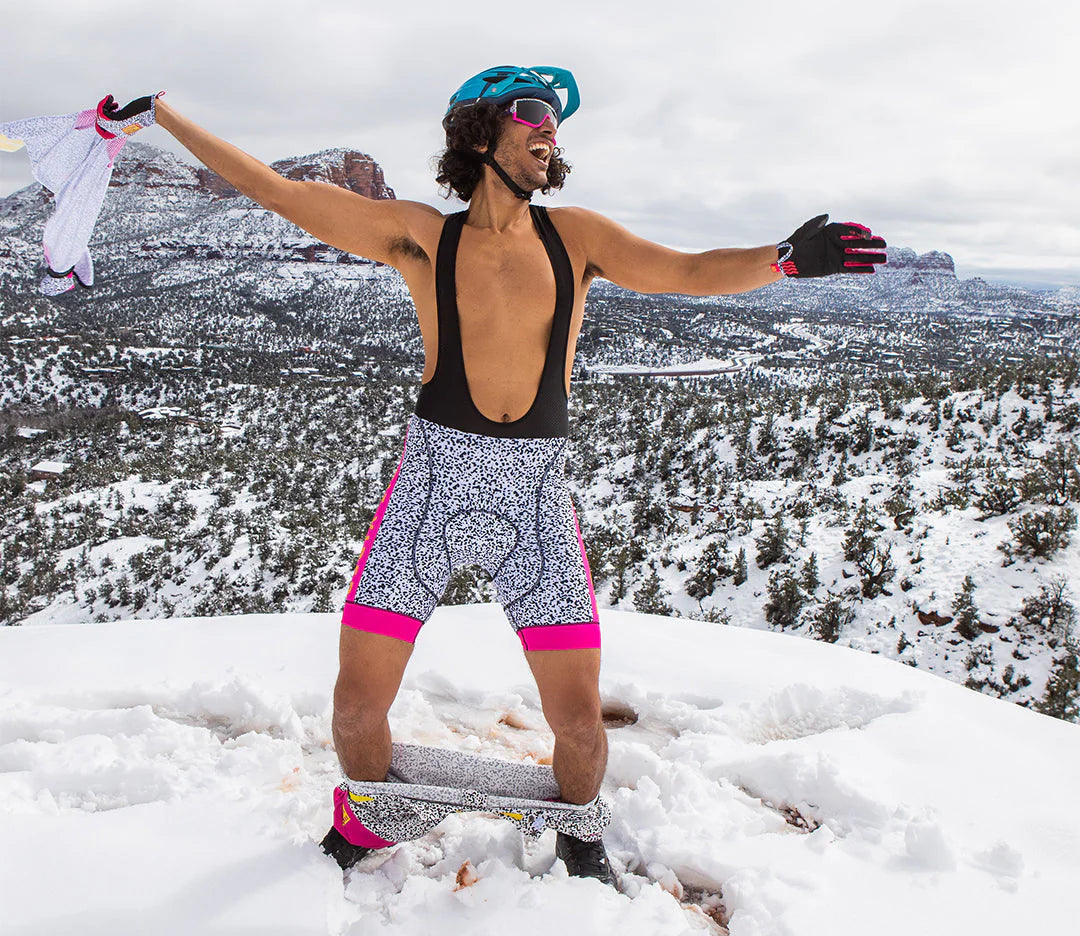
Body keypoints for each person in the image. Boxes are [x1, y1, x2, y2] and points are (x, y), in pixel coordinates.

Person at [152, 66, 885, 885]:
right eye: (534, 112)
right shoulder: (425, 237)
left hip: (533, 494)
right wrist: (160, 114)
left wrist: (785, 259)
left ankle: (578, 834)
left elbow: (685, 270)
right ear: (478, 133)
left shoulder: (575, 238)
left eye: (557, 123)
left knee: (576, 719)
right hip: (434, 484)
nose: (551, 131)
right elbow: (276, 191)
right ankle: (369, 822)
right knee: (357, 706)